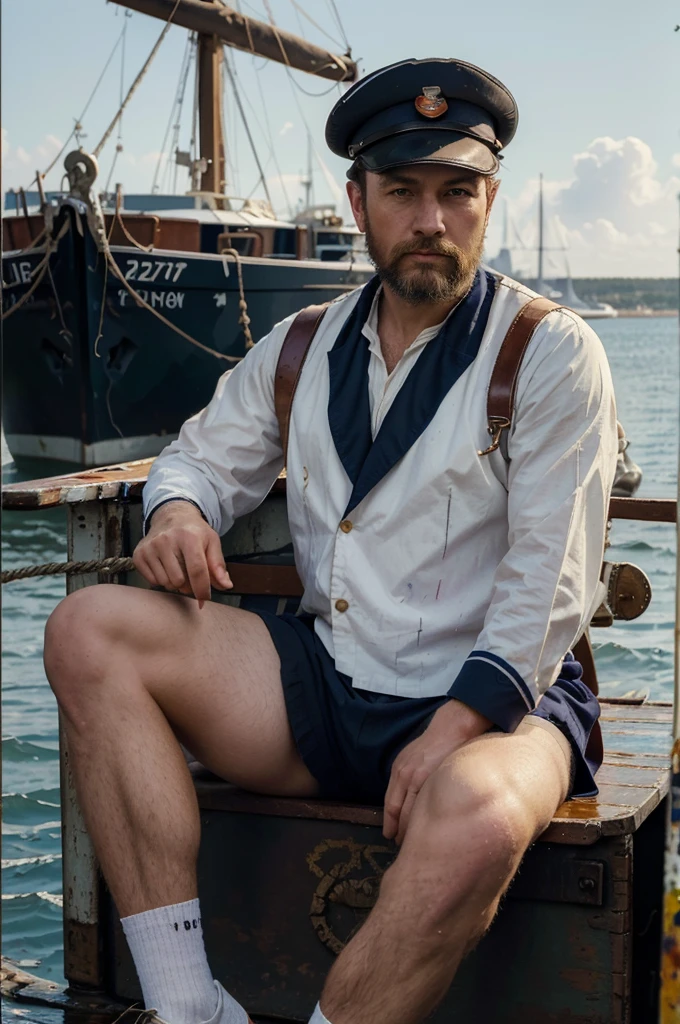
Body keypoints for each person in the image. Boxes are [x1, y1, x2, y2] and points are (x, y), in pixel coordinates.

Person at [44, 57, 617, 1024]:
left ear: (490, 199)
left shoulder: (548, 352)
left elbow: (548, 590)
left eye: (456, 192)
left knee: (477, 814)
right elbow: (194, 460)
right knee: (86, 631)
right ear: (358, 202)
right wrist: (179, 512)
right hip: (328, 683)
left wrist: (452, 730)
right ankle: (189, 1007)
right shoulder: (301, 346)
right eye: (402, 191)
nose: (430, 220)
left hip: (495, 698)